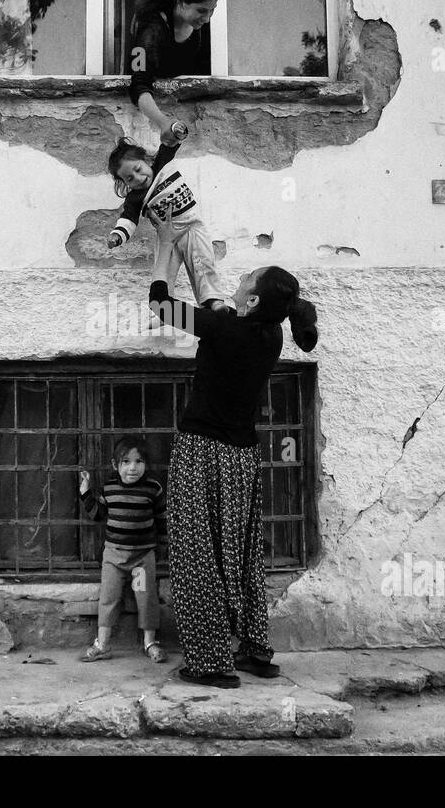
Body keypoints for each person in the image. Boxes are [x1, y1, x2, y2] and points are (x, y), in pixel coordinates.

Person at [147, 221, 319, 689]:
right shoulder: (270, 337)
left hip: (201, 452)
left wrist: (165, 248)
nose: (238, 280)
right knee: (239, 554)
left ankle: (210, 662)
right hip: (242, 457)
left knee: (196, 553)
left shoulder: (226, 329)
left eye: (246, 280)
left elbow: (160, 304)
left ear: (254, 301)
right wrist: (221, 305)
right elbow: (226, 317)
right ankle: (253, 650)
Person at [105, 135, 228, 310]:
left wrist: (174, 129)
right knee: (164, 275)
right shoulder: (134, 197)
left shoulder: (162, 163)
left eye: (138, 169)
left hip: (192, 227)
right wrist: (117, 235)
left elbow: (171, 142)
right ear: (124, 183)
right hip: (166, 237)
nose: (138, 178)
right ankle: (167, 311)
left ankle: (214, 301)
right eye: (130, 178)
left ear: (146, 160)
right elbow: (128, 219)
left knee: (203, 264)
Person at [78, 437, 169, 663]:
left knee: (146, 598)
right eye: (126, 461)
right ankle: (102, 643)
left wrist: (166, 546)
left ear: (146, 464)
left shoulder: (153, 489)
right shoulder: (110, 488)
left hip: (141, 558)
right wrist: (85, 492)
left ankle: (150, 642)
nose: (132, 467)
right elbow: (98, 514)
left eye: (139, 461)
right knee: (109, 597)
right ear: (114, 464)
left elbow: (162, 519)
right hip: (114, 557)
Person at [128, 0, 222, 143]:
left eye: (212, 10)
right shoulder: (150, 26)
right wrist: (163, 122)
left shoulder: (202, 26)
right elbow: (138, 84)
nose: (207, 18)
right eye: (201, 10)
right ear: (180, 2)